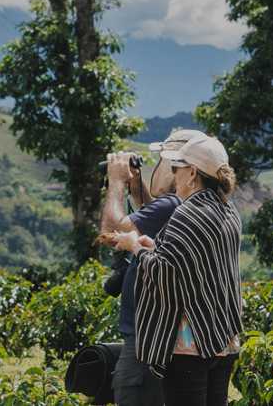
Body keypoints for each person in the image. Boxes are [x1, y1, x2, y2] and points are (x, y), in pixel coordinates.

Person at [108, 135, 243, 406]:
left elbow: (165, 275)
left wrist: (136, 249)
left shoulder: (187, 212)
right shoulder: (228, 210)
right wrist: (152, 245)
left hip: (189, 342)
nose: (175, 176)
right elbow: (192, 264)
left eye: (176, 168)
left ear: (192, 172)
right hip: (222, 339)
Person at [101, 130, 205, 406]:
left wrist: (116, 181)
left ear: (178, 168)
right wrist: (137, 186)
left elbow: (110, 231)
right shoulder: (200, 206)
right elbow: (154, 215)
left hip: (146, 338)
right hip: (175, 336)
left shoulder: (173, 203)